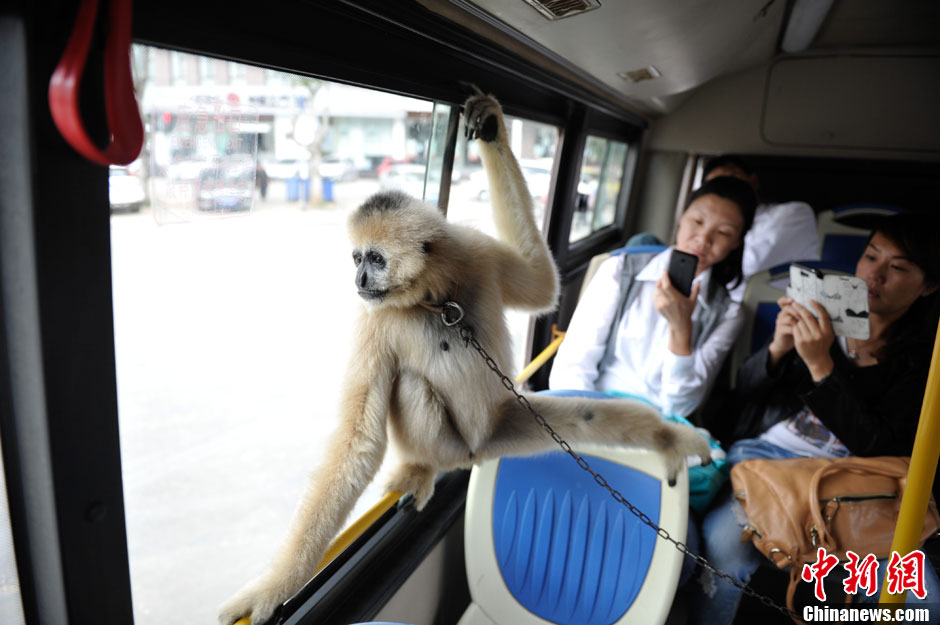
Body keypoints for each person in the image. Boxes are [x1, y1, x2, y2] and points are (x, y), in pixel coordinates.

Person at [692, 213, 940, 625]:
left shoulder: (924, 362)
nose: (874, 275)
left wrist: (822, 367)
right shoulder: (822, 317)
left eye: (897, 268)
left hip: (858, 480)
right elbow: (743, 396)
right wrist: (777, 349)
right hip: (766, 459)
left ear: (928, 286)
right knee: (724, 554)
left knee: (924, 602)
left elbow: (882, 447)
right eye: (870, 256)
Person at [549, 175, 757, 419]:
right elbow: (574, 366)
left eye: (722, 233)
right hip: (593, 411)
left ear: (736, 242)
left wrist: (681, 329)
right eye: (697, 221)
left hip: (661, 428)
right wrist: (588, 424)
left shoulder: (728, 313)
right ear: (682, 217)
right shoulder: (620, 270)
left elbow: (681, 407)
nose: (703, 239)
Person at [702, 155, 819, 301]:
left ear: (753, 181)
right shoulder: (704, 232)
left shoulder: (794, 214)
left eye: (732, 177)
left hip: (781, 308)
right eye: (717, 184)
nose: (728, 188)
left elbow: (750, 267)